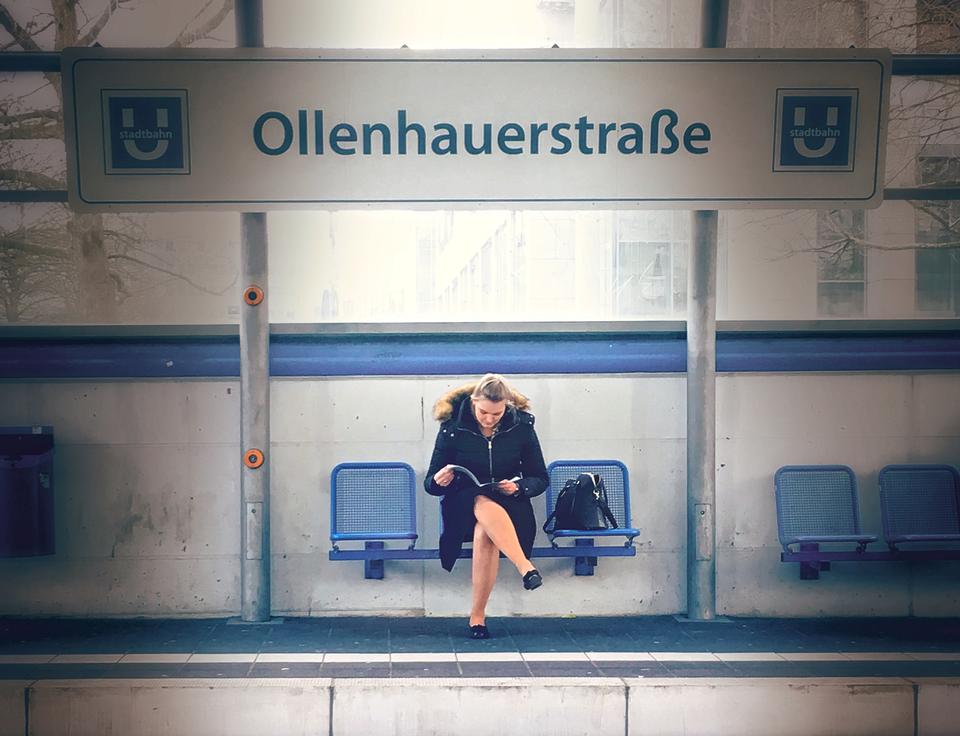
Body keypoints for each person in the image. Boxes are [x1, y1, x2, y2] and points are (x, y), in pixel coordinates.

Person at [425, 373, 548, 640]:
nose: (490, 419)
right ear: (473, 402)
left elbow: (540, 477)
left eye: (497, 413)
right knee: (478, 499)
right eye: (484, 412)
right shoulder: (452, 427)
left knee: (485, 531)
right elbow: (430, 484)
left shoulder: (522, 427)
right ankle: (525, 568)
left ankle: (477, 616)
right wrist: (439, 480)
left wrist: (519, 487)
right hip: (462, 503)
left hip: (509, 503)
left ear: (507, 405)